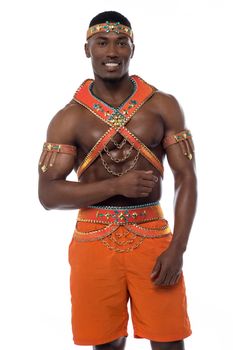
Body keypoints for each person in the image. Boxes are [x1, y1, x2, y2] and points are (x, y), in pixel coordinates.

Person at [38, 10, 197, 350]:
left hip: (154, 238)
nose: (112, 52)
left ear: (132, 49)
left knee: (169, 340)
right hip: (93, 240)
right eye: (102, 43)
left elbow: (187, 177)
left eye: (121, 43)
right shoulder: (68, 119)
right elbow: (48, 193)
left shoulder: (163, 106)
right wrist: (114, 186)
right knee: (106, 343)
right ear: (87, 49)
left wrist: (178, 248)